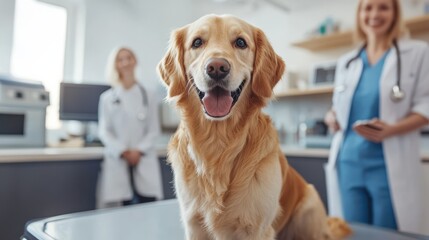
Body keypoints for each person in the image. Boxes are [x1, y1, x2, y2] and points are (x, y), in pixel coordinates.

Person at [324, 0, 429, 234]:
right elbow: (337, 105)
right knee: (352, 232)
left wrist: (392, 129)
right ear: (360, 14)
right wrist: (332, 116)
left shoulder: (418, 53)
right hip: (348, 162)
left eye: (383, 7)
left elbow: (426, 104)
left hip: (388, 164)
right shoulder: (347, 61)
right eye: (368, 7)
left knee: (387, 234)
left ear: (394, 13)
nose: (374, 14)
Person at [96, 47, 163, 208]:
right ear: (115, 65)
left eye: (129, 58)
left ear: (135, 61)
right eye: (120, 59)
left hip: (143, 158)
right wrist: (124, 151)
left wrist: (138, 151)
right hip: (119, 160)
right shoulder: (106, 99)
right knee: (120, 214)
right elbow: (104, 131)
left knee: (148, 211)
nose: (125, 62)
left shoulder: (149, 95)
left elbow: (154, 130)